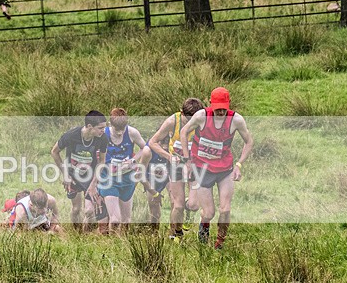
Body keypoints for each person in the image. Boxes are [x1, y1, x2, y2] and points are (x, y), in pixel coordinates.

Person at [179, 87, 254, 249]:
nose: (220, 111)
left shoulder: (236, 120)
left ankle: (219, 243)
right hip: (202, 168)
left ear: (229, 104)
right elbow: (184, 132)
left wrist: (239, 165)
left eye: (223, 108)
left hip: (224, 169)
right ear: (211, 103)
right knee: (209, 213)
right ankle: (203, 228)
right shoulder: (201, 116)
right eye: (217, 108)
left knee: (225, 210)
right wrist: (187, 160)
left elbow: (249, 141)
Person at [148, 97, 205, 241]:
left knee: (193, 205)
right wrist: (168, 157)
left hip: (195, 165)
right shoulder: (172, 121)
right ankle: (175, 234)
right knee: (177, 205)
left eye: (195, 119)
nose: (193, 123)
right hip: (176, 164)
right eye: (189, 119)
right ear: (182, 113)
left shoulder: (203, 121)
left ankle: (188, 210)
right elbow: (153, 142)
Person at [51, 111, 109, 229]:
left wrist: (93, 184)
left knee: (89, 211)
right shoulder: (71, 135)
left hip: (90, 176)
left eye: (104, 127)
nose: (103, 131)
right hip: (73, 176)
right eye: (100, 128)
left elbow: (102, 161)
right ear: (89, 126)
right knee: (76, 209)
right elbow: (54, 152)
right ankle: (76, 235)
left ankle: (85, 236)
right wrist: (65, 175)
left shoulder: (102, 138)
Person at [97, 108, 148, 233]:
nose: (120, 133)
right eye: (117, 130)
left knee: (126, 221)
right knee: (115, 220)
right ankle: (112, 246)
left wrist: (133, 161)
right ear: (110, 125)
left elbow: (145, 148)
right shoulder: (103, 134)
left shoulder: (132, 133)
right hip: (108, 179)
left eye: (122, 129)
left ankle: (122, 247)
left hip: (126, 179)